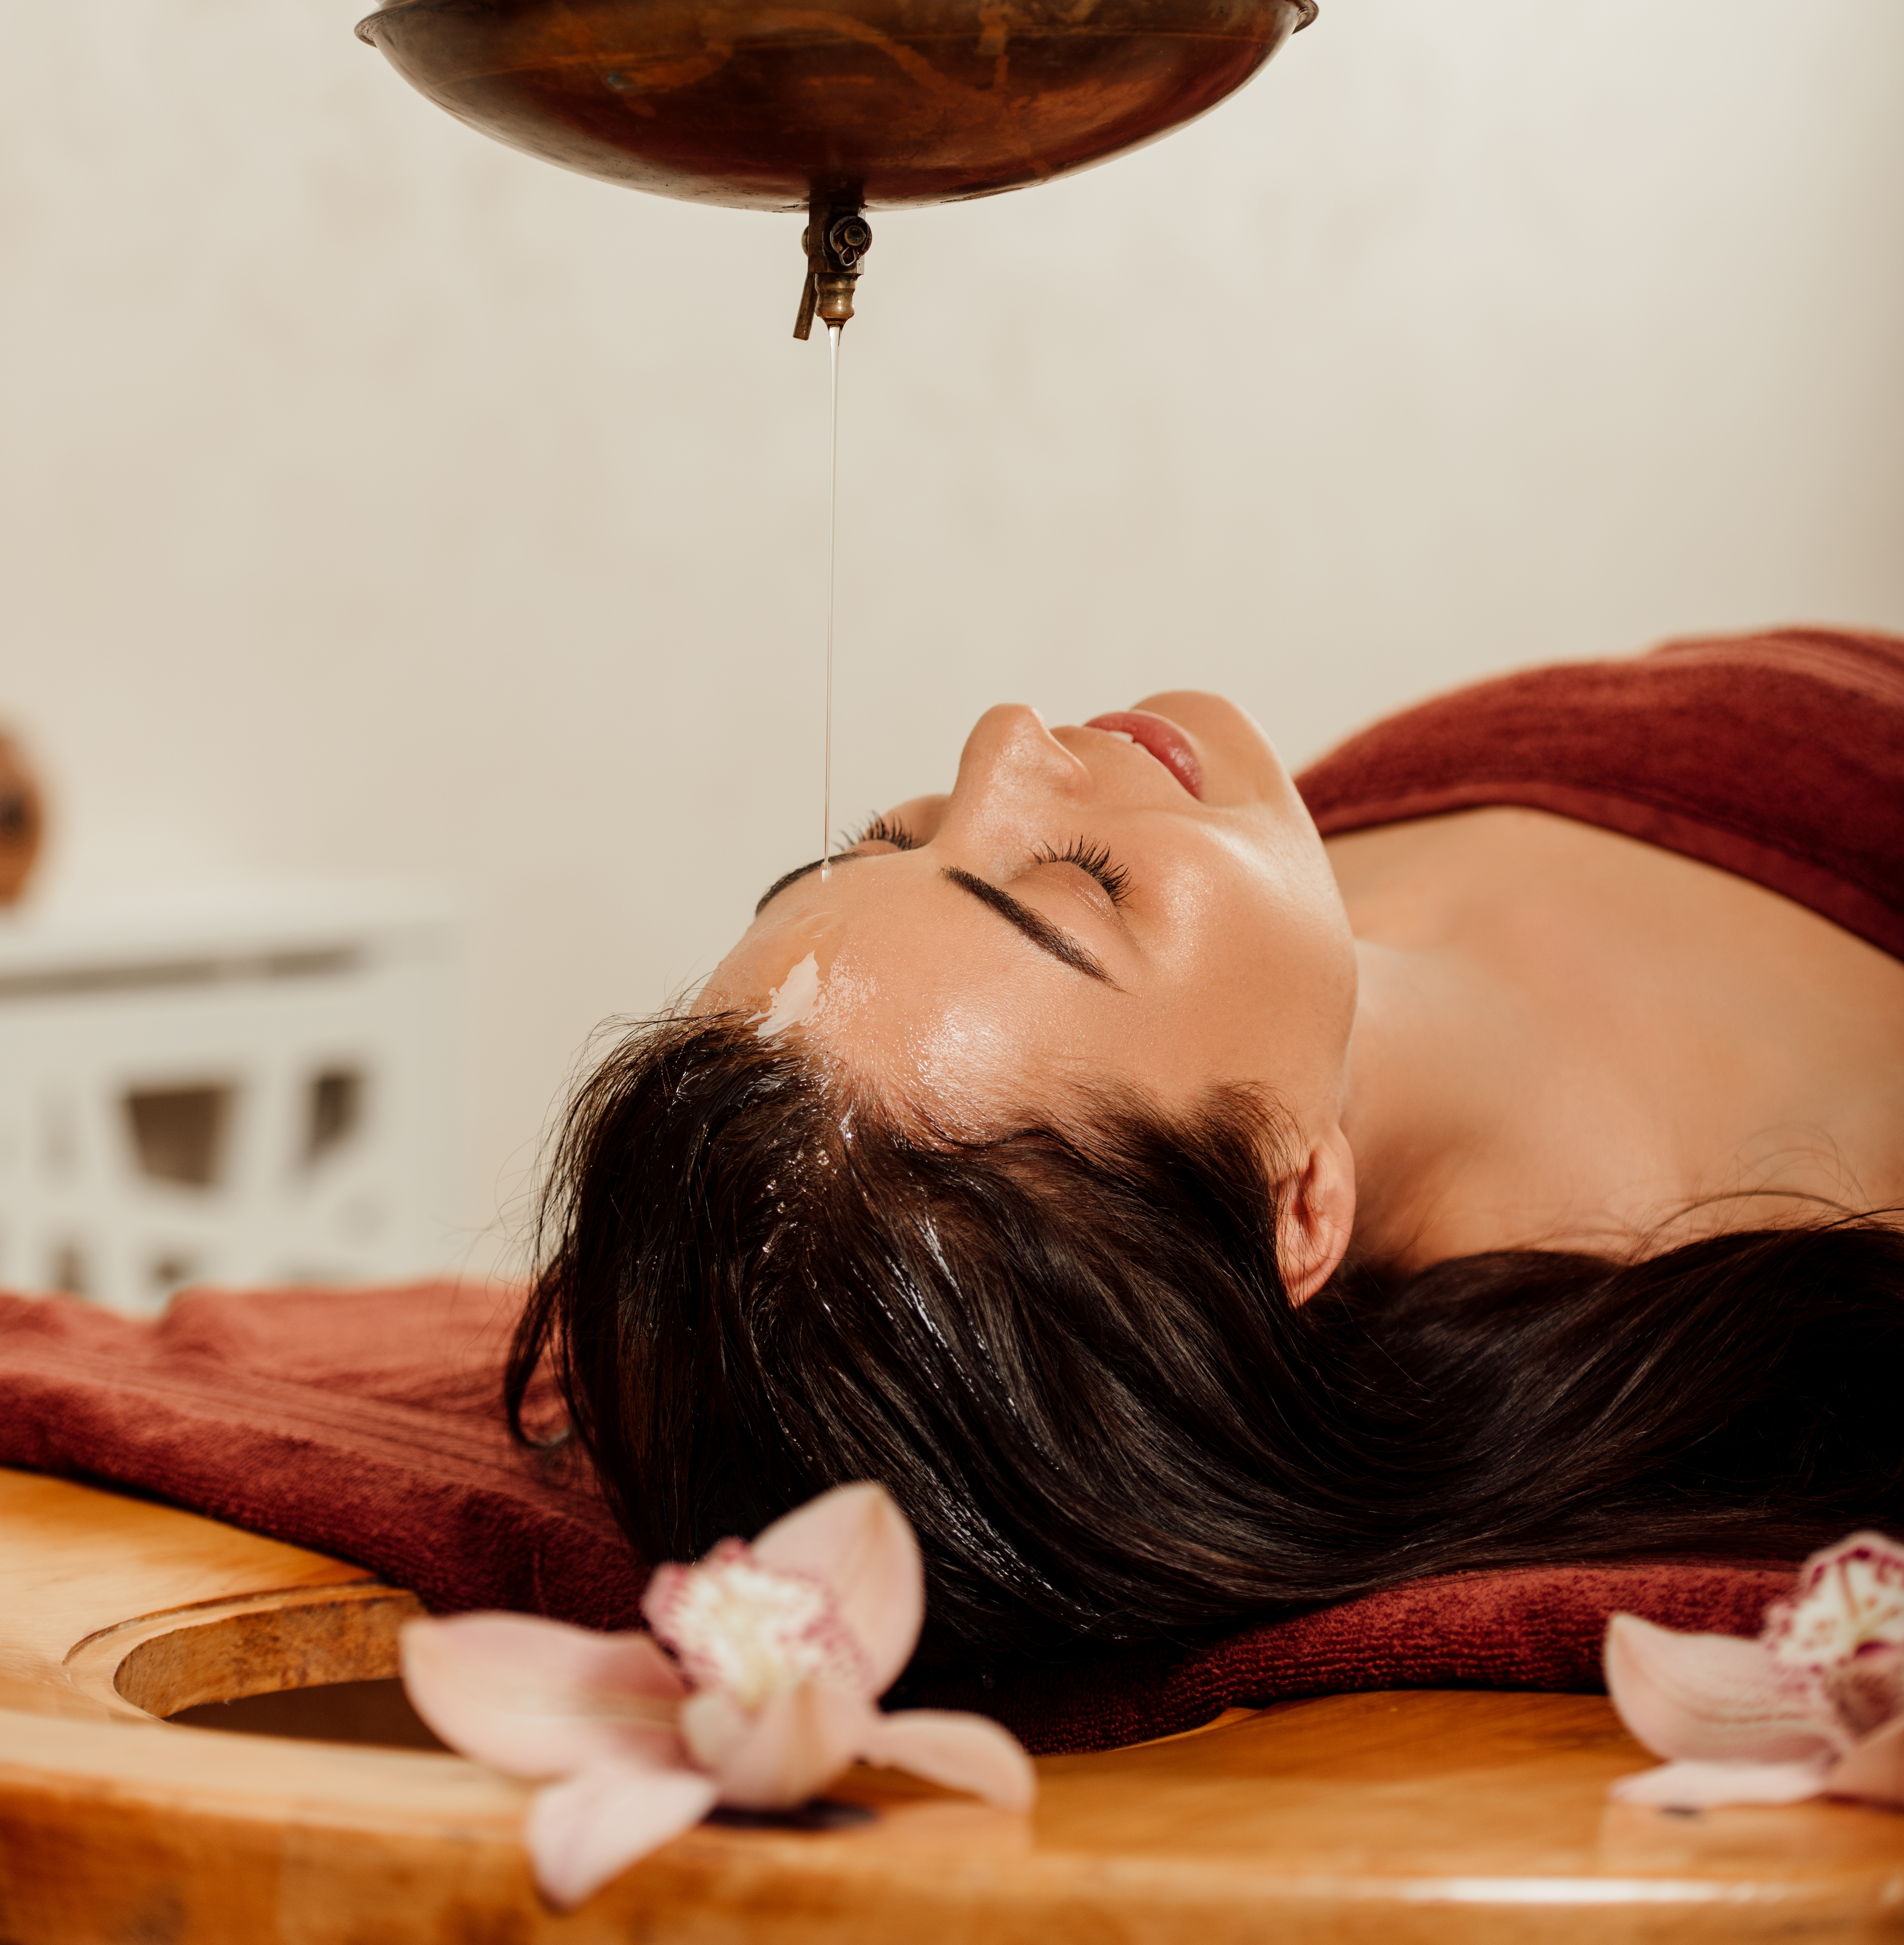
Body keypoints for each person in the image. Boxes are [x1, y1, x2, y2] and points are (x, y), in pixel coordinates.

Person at [510, 628, 1904, 1668]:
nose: (1002, 741)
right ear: (1298, 1209)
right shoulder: (1822, 1193)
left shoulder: (1269, 935)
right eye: (1080, 886)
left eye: (887, 841)